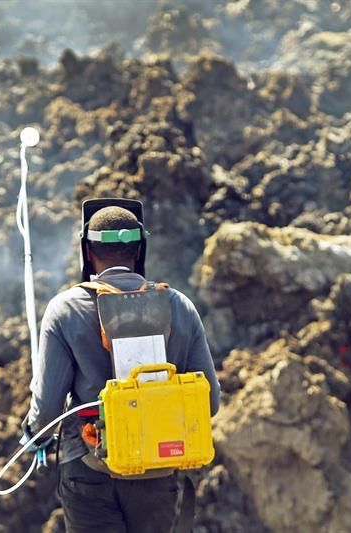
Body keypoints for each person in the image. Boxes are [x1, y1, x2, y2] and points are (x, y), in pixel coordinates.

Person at [24, 198, 220, 533]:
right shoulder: (180, 307)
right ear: (139, 250)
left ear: (88, 252)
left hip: (89, 471)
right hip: (157, 471)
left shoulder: (65, 309)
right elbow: (211, 403)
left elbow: (47, 412)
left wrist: (33, 436)